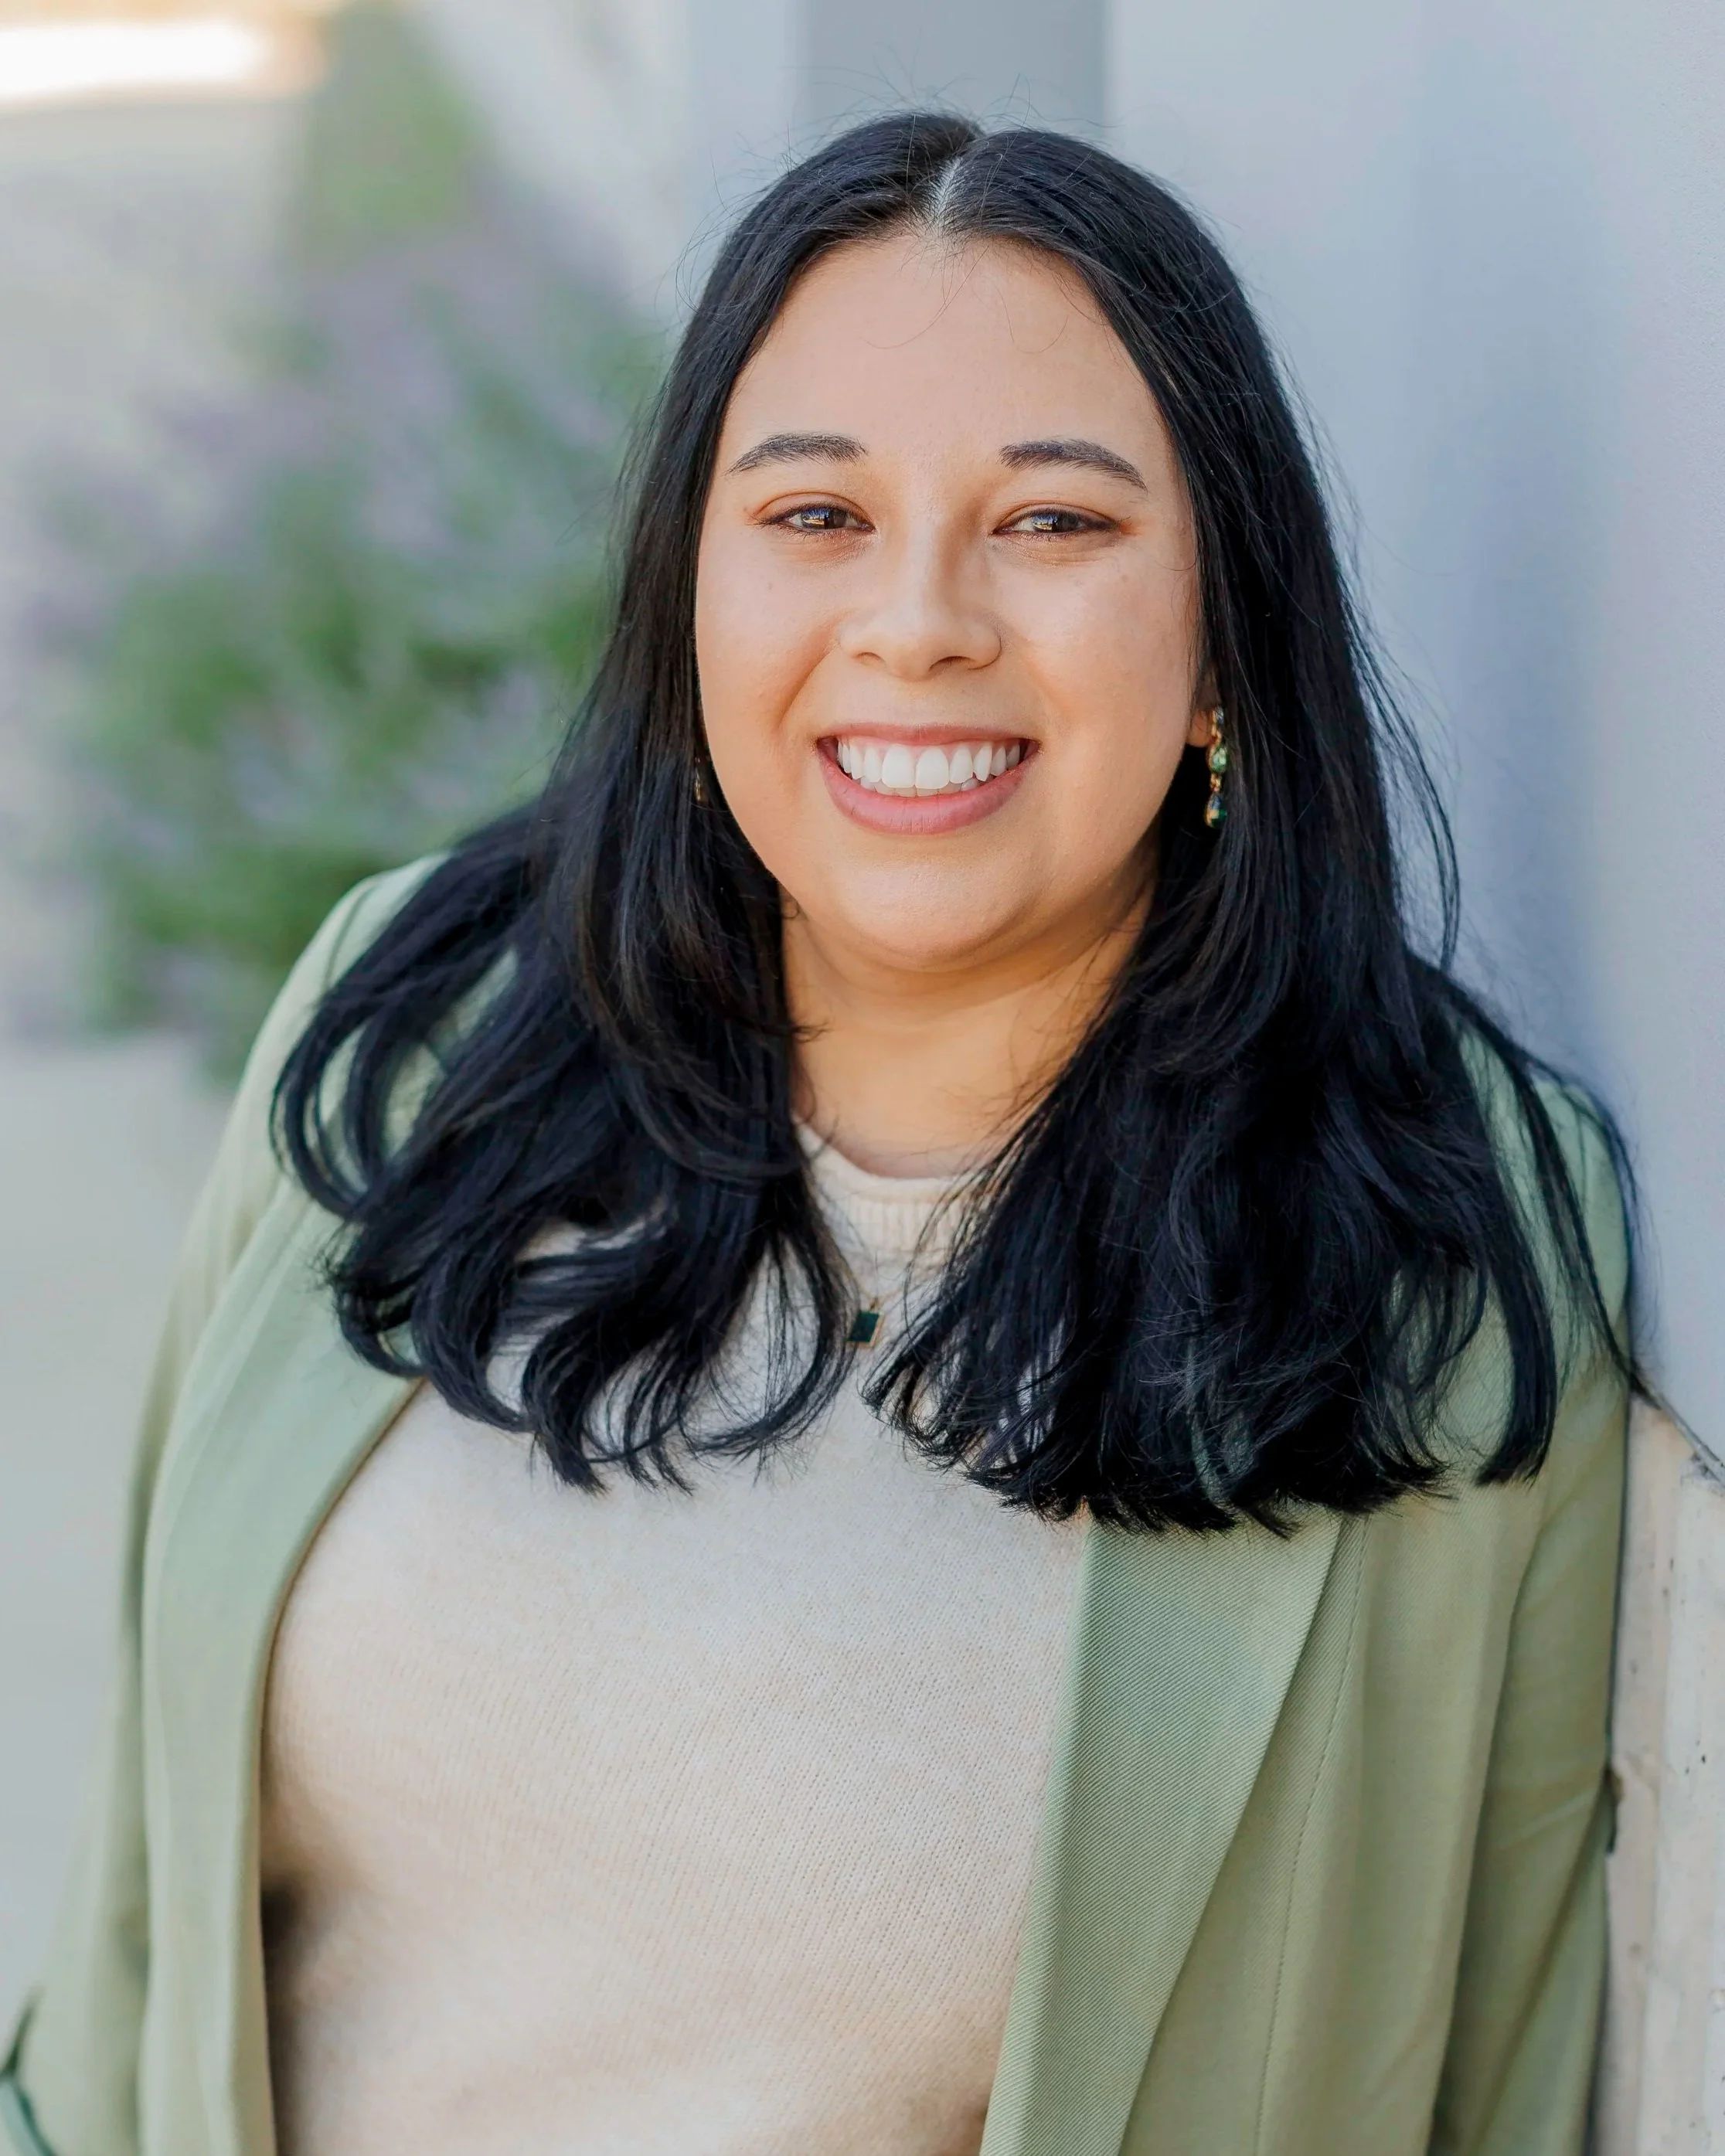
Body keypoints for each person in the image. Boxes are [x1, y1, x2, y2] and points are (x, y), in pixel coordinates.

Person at [3, 114, 1634, 2156]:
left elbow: (1502, 2063)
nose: (922, 620)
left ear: (1222, 637)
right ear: (696, 602)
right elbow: (132, 1950)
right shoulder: (414, 1026)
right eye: (815, 513)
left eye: (1052, 522)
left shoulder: (1440, 1263)